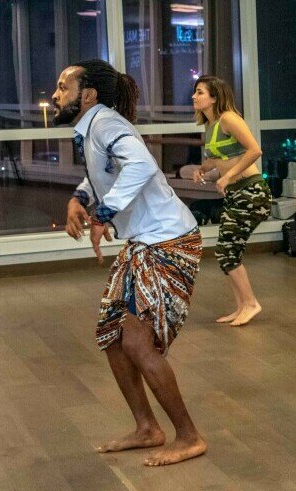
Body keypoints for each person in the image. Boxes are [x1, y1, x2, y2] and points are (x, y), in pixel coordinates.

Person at [56, 59, 207, 465]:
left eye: (63, 87)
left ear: (87, 94)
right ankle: (147, 427)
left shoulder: (105, 123)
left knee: (138, 343)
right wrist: (80, 198)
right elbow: (103, 172)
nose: (56, 95)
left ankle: (189, 436)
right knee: (112, 335)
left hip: (168, 240)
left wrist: (103, 214)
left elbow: (140, 164)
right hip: (144, 241)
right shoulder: (94, 128)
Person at [190, 75, 271, 326]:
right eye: (195, 92)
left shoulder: (229, 119)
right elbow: (218, 157)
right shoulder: (211, 125)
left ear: (214, 97)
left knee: (227, 251)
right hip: (237, 194)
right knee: (227, 252)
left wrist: (228, 178)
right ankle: (242, 306)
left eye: (200, 92)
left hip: (252, 192)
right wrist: (203, 168)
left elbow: (255, 150)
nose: (194, 96)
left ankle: (251, 304)